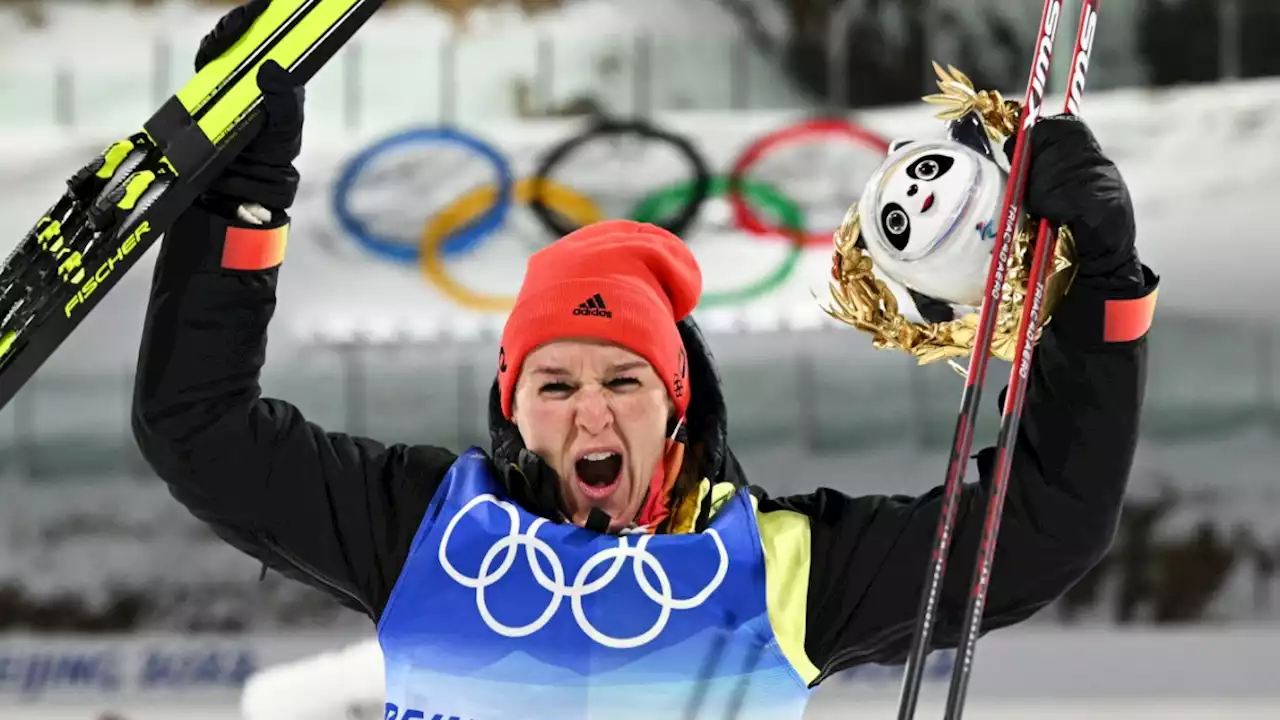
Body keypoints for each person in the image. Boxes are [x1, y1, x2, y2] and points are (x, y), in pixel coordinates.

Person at [131, 2, 1157, 718]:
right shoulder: (428, 530)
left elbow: (1039, 530)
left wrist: (1100, 296)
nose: (591, 417)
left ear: (674, 406)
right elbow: (200, 431)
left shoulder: (779, 570)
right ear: (509, 404)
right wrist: (240, 194)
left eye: (623, 381)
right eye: (556, 384)